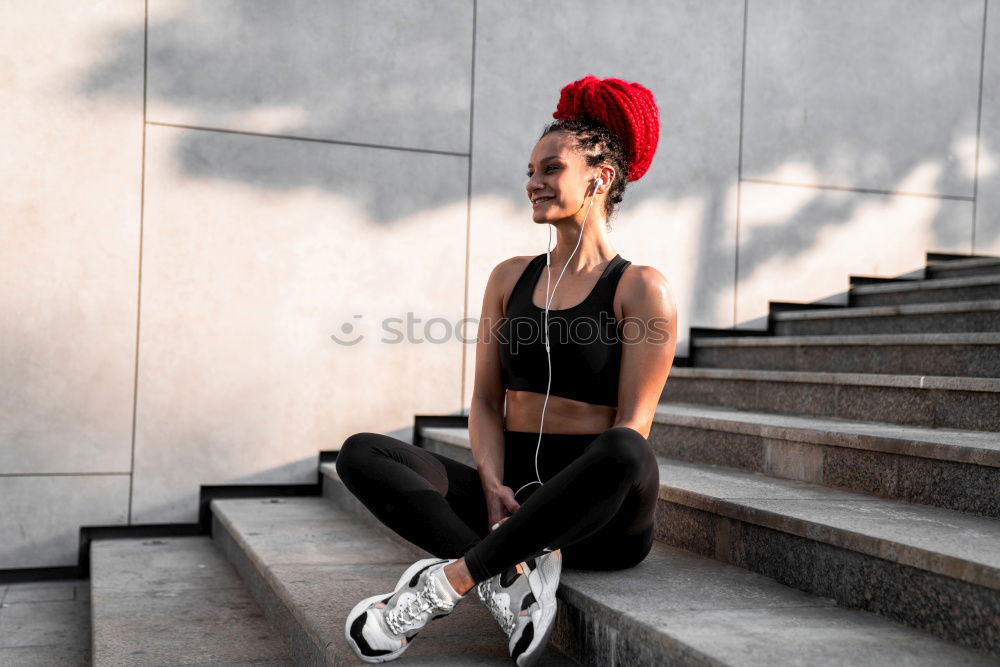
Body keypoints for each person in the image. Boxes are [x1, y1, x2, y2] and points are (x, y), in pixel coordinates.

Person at [336, 75, 676, 666]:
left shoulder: (641, 288)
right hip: (512, 498)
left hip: (597, 519)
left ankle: (452, 583)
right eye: (529, 171)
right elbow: (487, 402)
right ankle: (511, 580)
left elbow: (635, 424)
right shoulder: (509, 277)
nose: (533, 184)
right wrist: (491, 482)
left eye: (551, 169)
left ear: (602, 177)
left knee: (627, 449)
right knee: (362, 453)